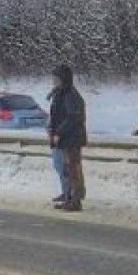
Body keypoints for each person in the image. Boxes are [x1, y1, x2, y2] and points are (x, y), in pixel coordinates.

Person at [48, 64, 86, 211]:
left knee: (73, 169)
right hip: (66, 137)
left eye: (56, 78)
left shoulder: (70, 95)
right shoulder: (61, 93)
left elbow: (73, 117)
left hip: (72, 138)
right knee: (67, 169)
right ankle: (69, 198)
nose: (53, 81)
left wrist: (59, 132)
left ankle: (75, 201)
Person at [45, 87, 68, 203]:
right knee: (59, 166)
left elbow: (66, 121)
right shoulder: (55, 109)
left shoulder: (63, 106)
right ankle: (65, 192)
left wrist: (57, 133)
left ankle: (68, 194)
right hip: (55, 139)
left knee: (63, 167)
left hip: (61, 140)